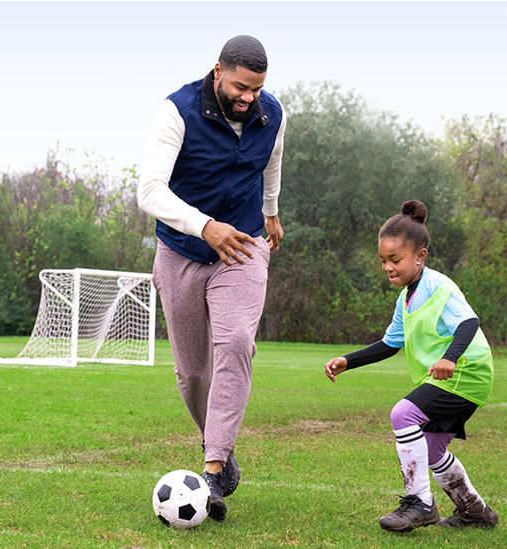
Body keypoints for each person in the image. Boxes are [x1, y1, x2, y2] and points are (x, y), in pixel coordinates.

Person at [136, 34, 286, 522]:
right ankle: (215, 438)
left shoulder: (272, 114)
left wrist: (270, 211)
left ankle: (214, 468)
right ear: (218, 71)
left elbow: (272, 163)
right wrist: (204, 226)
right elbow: (150, 191)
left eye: (257, 90)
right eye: (241, 87)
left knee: (238, 341)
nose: (249, 99)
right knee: (193, 373)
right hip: (181, 250)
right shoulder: (176, 112)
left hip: (242, 246)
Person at [323, 200, 498, 532]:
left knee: (403, 414)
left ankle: (421, 504)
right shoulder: (406, 299)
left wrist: (450, 358)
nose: (388, 267)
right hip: (452, 377)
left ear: (420, 256)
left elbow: (468, 323)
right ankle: (475, 512)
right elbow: (391, 343)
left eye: (395, 260)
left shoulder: (439, 286)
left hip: (466, 372)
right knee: (432, 450)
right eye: (383, 261)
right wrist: (349, 361)